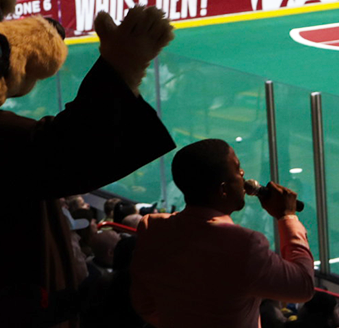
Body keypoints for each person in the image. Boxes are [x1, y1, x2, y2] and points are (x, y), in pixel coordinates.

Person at [131, 139, 313, 327]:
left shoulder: (152, 228)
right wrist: (287, 217)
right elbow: (303, 286)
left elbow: (144, 304)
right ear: (224, 190)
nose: (243, 173)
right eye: (237, 168)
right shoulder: (246, 245)